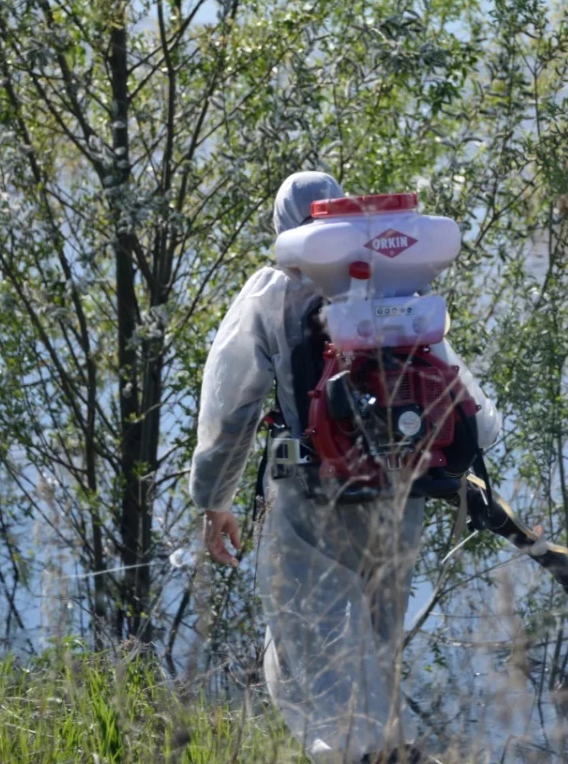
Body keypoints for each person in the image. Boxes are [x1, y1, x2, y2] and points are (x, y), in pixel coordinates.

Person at [188, 171, 501, 763]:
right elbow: (478, 418)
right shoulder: (399, 289)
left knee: (306, 651)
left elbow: (231, 408)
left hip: (312, 498)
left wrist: (214, 499)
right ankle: (386, 748)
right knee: (373, 649)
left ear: (284, 231)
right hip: (401, 501)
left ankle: (366, 755)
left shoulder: (272, 292)